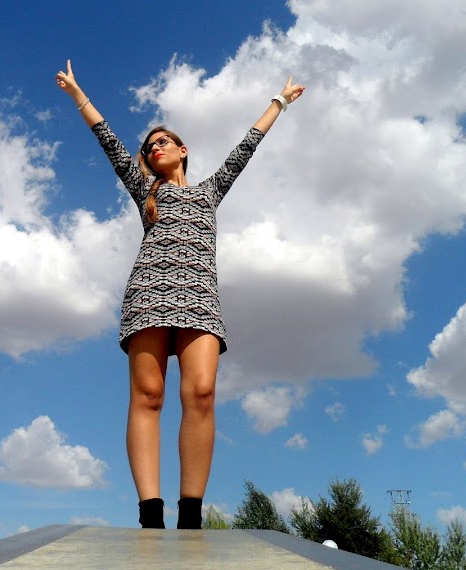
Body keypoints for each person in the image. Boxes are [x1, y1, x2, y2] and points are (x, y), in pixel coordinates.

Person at [56, 60, 304, 529]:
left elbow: (245, 148)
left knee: (203, 393)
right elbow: (107, 140)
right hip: (149, 294)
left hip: (200, 299)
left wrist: (279, 102)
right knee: (149, 396)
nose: (153, 151)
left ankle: (191, 515)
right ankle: (151, 516)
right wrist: (77, 94)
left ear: (183, 150)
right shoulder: (142, 189)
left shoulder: (210, 192)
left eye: (161, 143)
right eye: (148, 149)